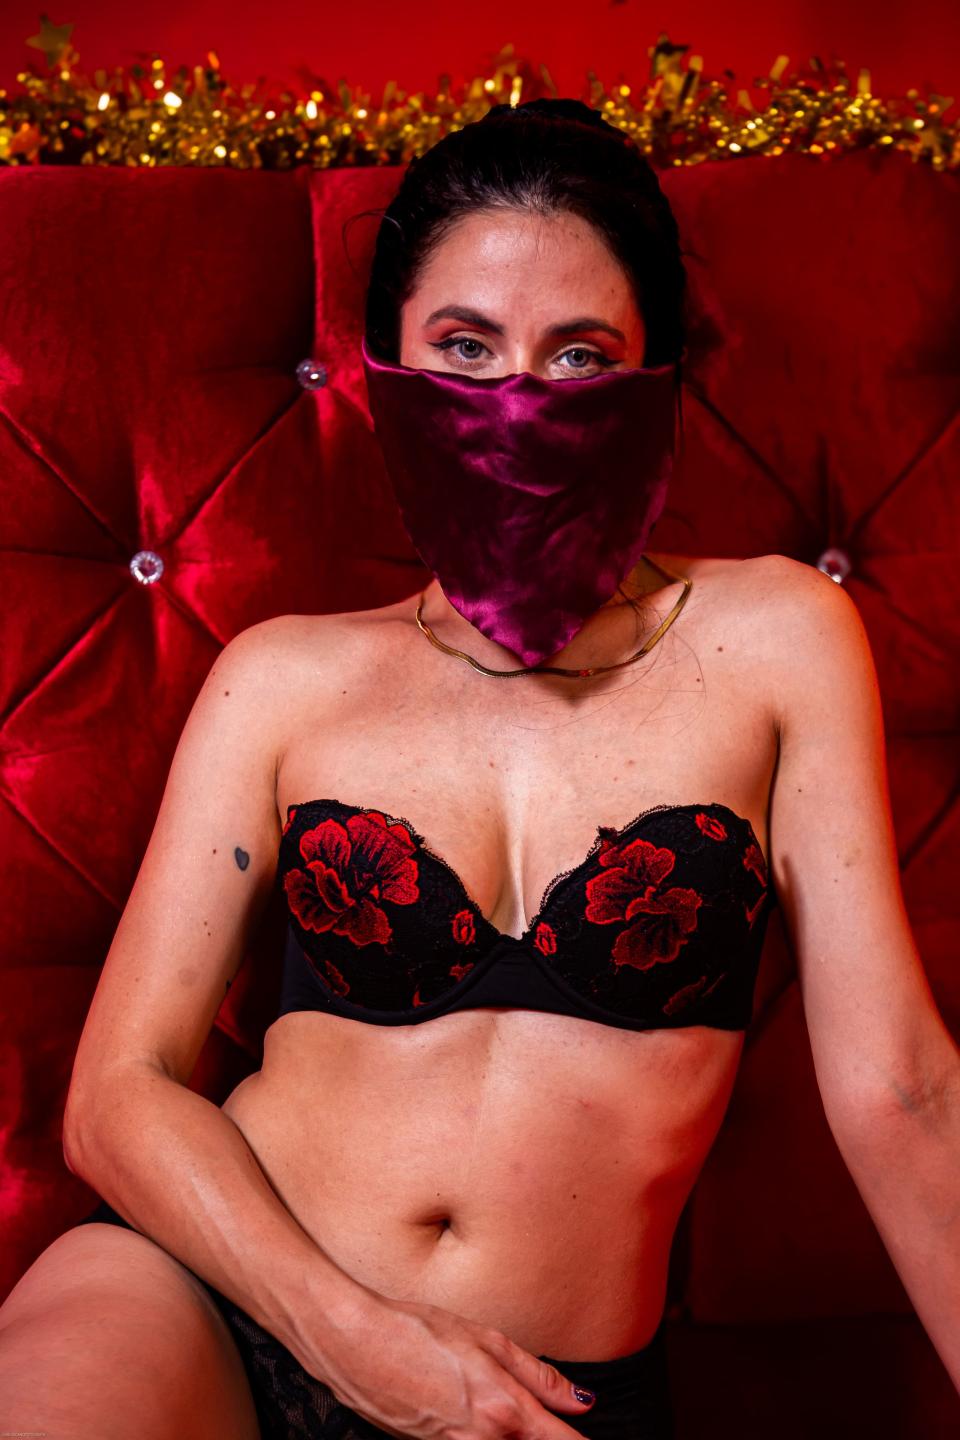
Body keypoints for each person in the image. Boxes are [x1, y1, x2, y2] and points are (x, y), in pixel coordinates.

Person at [1, 98, 957, 1440]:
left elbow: (905, 1093)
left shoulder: (780, 640)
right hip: (217, 1311)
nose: (517, 402)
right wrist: (357, 1343)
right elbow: (117, 1099)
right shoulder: (282, 677)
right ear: (387, 371)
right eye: (464, 348)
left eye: (579, 356)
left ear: (656, 376)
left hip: (540, 1397)